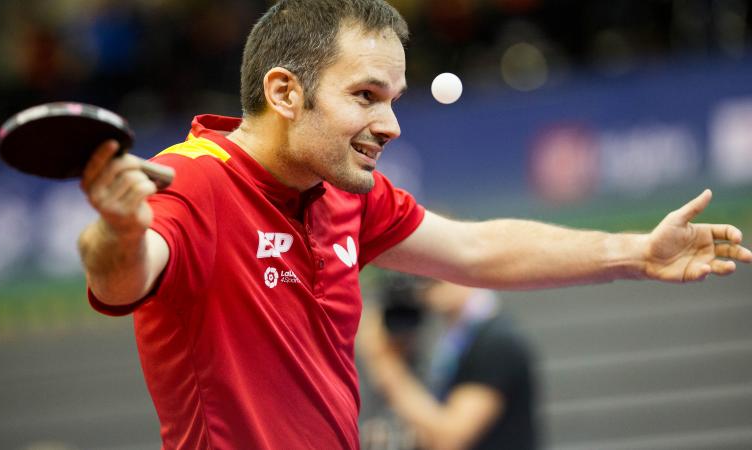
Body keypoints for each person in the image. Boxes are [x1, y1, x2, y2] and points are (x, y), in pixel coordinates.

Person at [76, 0, 751, 448]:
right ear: (285, 92)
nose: (391, 126)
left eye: (393, 99)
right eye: (365, 96)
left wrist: (637, 252)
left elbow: (476, 248)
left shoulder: (346, 193)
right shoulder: (194, 179)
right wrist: (119, 229)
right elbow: (119, 276)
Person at [359, 279, 539, 450]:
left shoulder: (496, 342)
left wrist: (384, 362)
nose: (427, 279)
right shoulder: (451, 341)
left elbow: (448, 438)